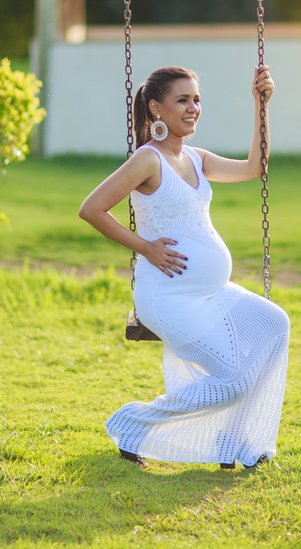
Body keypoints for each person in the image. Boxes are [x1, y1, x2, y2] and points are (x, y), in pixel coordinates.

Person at [79, 65, 290, 469]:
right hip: (169, 297)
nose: (193, 108)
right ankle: (133, 423)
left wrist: (261, 104)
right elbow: (91, 209)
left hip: (211, 292)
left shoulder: (195, 157)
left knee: (274, 324)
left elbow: (254, 167)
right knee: (233, 380)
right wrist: (145, 247)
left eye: (196, 99)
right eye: (183, 100)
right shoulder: (148, 159)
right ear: (156, 109)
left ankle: (234, 440)